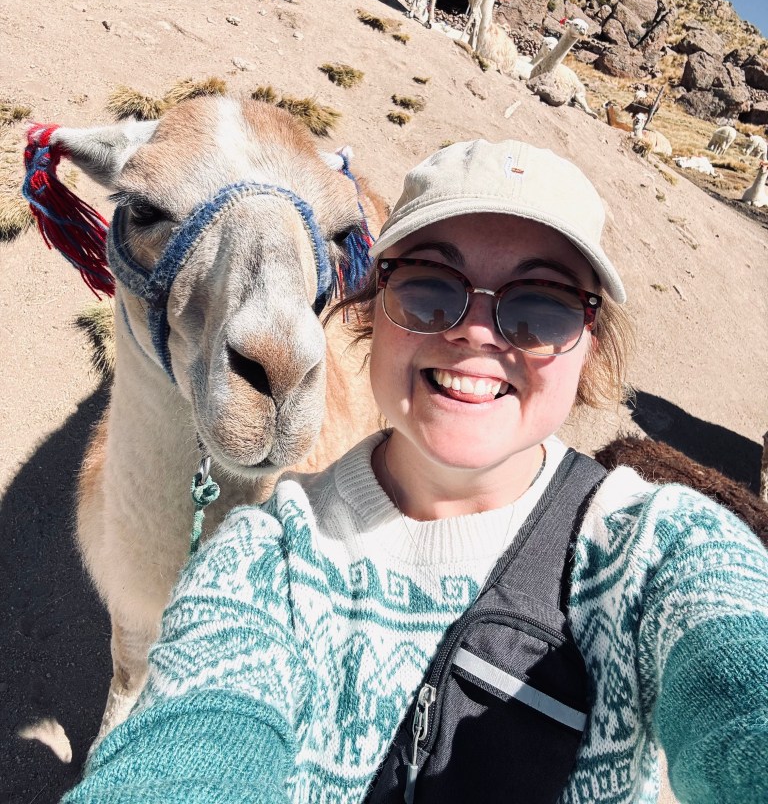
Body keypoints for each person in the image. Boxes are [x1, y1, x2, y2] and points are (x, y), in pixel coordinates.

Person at [63, 138, 768, 804]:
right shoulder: (264, 565)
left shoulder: (659, 555)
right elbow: (197, 742)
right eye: (431, 289)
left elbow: (741, 696)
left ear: (588, 345)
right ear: (373, 310)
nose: (475, 332)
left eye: (540, 308)